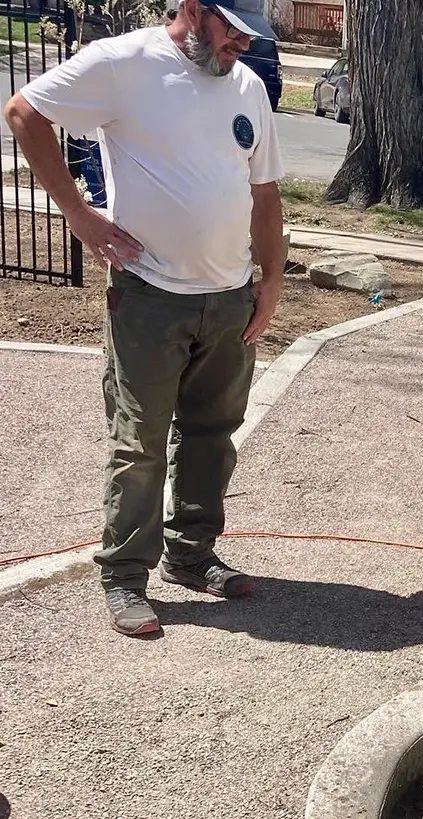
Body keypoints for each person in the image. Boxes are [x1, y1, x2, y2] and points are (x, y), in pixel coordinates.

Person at [4, 0, 285, 636]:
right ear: (192, 9)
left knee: (213, 432)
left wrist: (269, 283)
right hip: (150, 295)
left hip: (229, 295)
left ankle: (190, 555)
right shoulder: (124, 62)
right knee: (140, 443)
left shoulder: (244, 85)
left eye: (250, 35)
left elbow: (264, 195)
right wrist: (80, 215)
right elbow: (23, 113)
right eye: (233, 32)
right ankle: (125, 575)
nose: (244, 45)